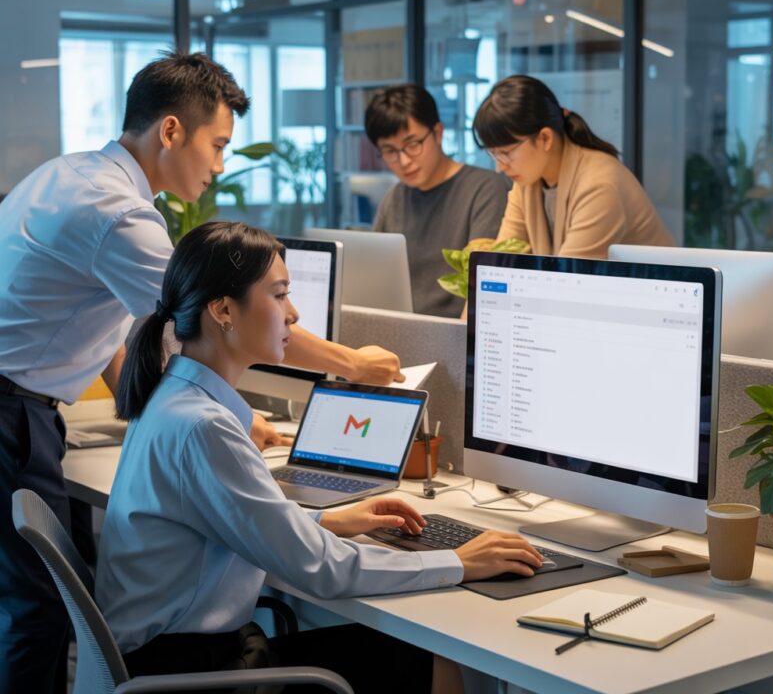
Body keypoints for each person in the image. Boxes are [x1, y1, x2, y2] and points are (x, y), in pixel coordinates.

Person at [0, 52, 402, 693]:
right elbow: (212, 307)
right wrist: (353, 363)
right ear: (170, 131)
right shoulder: (119, 213)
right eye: (217, 145)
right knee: (35, 613)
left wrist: (206, 409)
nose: (220, 165)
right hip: (14, 413)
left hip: (22, 406)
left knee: (37, 608)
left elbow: (108, 327)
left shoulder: (70, 174)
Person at [95, 221, 543, 693]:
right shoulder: (204, 428)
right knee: (429, 660)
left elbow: (240, 520)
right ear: (223, 310)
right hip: (186, 676)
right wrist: (458, 562)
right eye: (279, 295)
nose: (293, 314)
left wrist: (329, 521)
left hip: (167, 657)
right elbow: (322, 569)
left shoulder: (173, 397)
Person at [473, 75, 674, 258]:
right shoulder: (527, 181)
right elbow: (503, 259)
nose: (500, 167)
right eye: (493, 154)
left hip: (651, 286)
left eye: (506, 153)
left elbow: (567, 279)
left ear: (545, 138)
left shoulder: (598, 185)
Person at [366, 84, 509, 318]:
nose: (404, 161)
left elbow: (485, 287)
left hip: (459, 331)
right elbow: (373, 277)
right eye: (390, 151)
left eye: (412, 145)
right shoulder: (394, 199)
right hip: (400, 328)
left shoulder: (486, 189)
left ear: (438, 133)